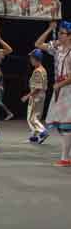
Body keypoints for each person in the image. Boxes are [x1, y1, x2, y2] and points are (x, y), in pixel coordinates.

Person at [36, 20, 71, 166]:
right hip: (60, 90)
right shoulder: (58, 49)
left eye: (62, 33)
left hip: (68, 89)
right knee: (62, 124)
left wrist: (60, 84)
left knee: (67, 124)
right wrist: (49, 29)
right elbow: (38, 44)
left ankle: (65, 158)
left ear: (70, 36)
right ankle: (66, 156)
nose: (59, 36)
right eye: (60, 33)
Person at [21, 49, 49, 144]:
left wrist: (27, 96)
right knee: (34, 116)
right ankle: (34, 137)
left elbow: (37, 87)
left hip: (36, 95)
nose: (30, 60)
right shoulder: (43, 69)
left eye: (31, 58)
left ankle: (42, 131)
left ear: (36, 59)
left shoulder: (38, 71)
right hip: (41, 95)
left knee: (32, 118)